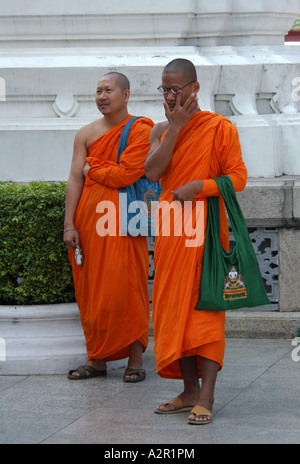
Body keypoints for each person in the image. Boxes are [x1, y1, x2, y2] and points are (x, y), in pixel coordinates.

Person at [144, 59, 247, 424]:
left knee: (204, 314)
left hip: (205, 232)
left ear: (194, 88)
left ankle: (207, 394)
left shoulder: (220, 128)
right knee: (174, 314)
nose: (170, 97)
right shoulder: (160, 130)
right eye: (164, 90)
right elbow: (152, 172)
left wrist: (200, 187)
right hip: (172, 234)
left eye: (176, 89)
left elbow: (238, 178)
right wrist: (174, 129)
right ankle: (188, 389)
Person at [64, 72, 154, 382]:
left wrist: (94, 167)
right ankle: (97, 358)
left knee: (127, 288)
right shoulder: (86, 134)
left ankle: (135, 357)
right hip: (91, 223)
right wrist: (69, 224)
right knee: (92, 289)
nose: (102, 96)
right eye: (98, 91)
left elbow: (125, 176)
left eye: (109, 90)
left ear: (126, 95)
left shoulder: (142, 130)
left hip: (126, 221)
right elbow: (76, 178)